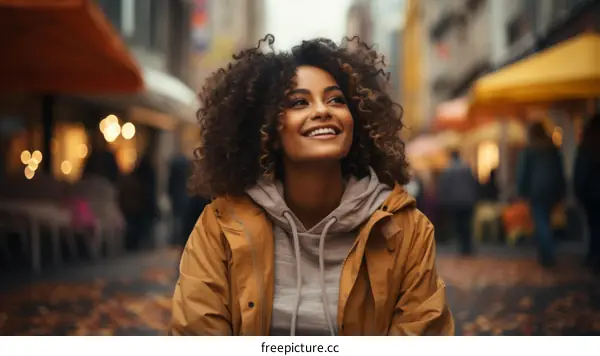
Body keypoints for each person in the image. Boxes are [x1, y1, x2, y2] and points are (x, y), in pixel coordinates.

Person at [170, 35, 454, 336]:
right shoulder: (219, 227)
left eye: (336, 99)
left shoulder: (406, 230)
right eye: (299, 102)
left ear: (355, 119)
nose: (323, 110)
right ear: (268, 130)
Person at [516, 122, 566, 268]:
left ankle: (547, 255)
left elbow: (523, 172)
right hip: (552, 190)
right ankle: (546, 253)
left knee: (541, 222)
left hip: (536, 190)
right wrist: (561, 190)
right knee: (546, 221)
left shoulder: (530, 149)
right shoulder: (552, 148)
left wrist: (522, 191)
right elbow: (559, 170)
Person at [437, 150, 479, 255]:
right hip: (468, 201)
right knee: (467, 224)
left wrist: (444, 200)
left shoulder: (448, 170)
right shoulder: (467, 168)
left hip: (454, 202)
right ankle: (468, 246)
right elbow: (474, 184)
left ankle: (462, 247)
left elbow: (444, 187)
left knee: (458, 225)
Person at [574, 114, 600, 273]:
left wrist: (579, 192)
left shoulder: (588, 146)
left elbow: (581, 171)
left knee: (594, 225)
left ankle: (594, 256)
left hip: (592, 194)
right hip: (591, 193)